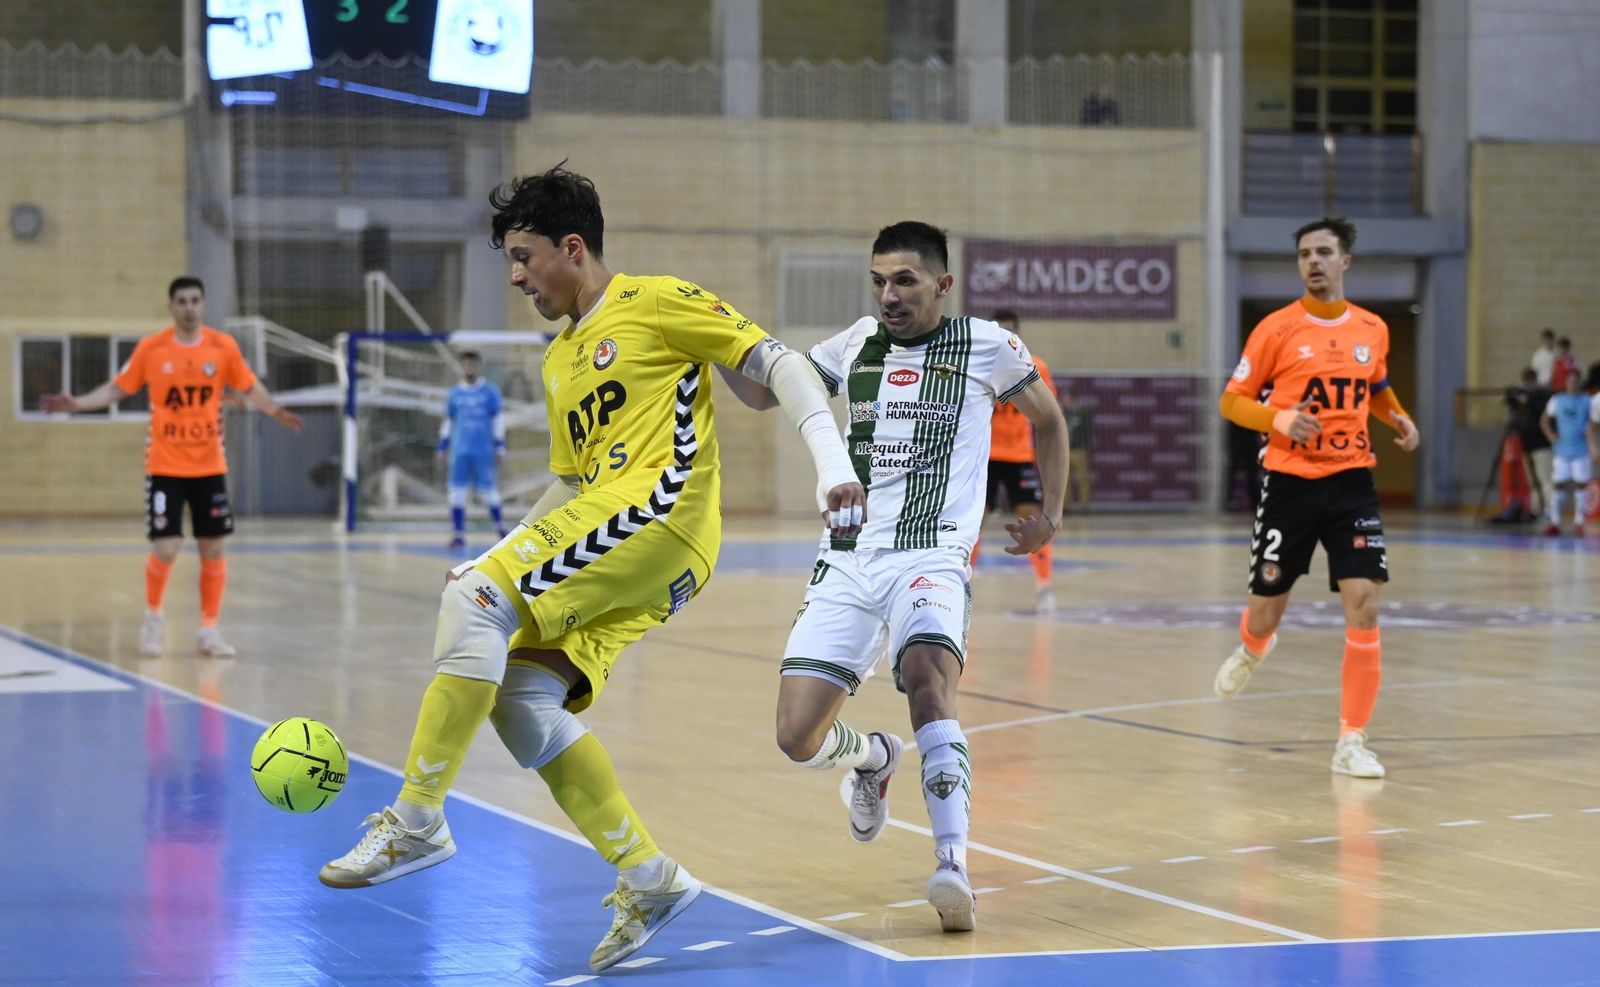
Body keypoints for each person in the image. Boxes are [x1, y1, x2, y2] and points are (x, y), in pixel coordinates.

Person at [317, 164, 865, 973]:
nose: (514, 276)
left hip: (662, 514)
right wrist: (497, 557)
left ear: (573, 247)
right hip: (621, 528)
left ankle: (417, 818)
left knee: (475, 609)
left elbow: (776, 363)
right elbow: (574, 482)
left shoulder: (657, 301)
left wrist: (830, 462)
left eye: (524, 256)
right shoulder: (561, 357)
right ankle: (649, 875)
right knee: (519, 697)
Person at [717, 221, 1069, 934]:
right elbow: (762, 396)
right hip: (847, 556)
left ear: (942, 283)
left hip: (933, 553)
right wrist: (711, 341)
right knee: (795, 736)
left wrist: (1051, 516)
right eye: (879, 280)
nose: (889, 294)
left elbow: (1051, 421)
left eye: (905, 279)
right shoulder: (854, 344)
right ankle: (876, 758)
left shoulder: (987, 345)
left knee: (929, 679)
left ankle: (951, 864)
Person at [1211, 216, 1421, 779]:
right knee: (1265, 610)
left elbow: (1374, 385)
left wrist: (1396, 417)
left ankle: (1351, 740)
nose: (1314, 262)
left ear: (1345, 261)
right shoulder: (1276, 329)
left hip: (1352, 481)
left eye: (1324, 252)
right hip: (1289, 484)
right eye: (1305, 253)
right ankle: (1254, 647)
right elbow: (1233, 402)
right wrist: (1278, 416)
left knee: (1366, 603)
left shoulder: (1373, 328)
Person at [40, 276, 304, 657]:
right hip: (165, 465)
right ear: (171, 307)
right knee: (165, 548)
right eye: (182, 301)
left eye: (195, 300)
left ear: (204, 305)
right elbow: (117, 388)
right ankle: (153, 618)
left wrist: (276, 411)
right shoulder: (153, 348)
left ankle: (209, 631)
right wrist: (78, 404)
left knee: (212, 547)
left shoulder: (222, 347)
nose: (189, 307)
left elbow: (249, 387)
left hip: (209, 464)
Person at [971, 308, 1061, 613]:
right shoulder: (978, 365)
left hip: (1019, 454)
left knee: (1033, 518)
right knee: (972, 522)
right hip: (986, 455)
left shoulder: (1036, 367)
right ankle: (960, 587)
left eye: (1010, 330)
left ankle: (1044, 588)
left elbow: (1048, 415)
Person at [437, 350, 508, 551]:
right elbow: (448, 421)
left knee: (489, 492)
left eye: (472, 364)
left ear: (478, 366)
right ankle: (458, 534)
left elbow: (498, 419)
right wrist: (442, 445)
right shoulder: (454, 394)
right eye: (465, 364)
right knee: (456, 491)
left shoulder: (490, 392)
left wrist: (500, 445)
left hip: (483, 451)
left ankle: (501, 529)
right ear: (461, 366)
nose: (469, 367)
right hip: (459, 451)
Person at [1539, 370, 1592, 536]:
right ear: (1566, 382)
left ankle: (1579, 522)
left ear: (1580, 383)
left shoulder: (1586, 401)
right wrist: (1550, 434)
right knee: (1558, 485)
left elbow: (1592, 424)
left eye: (1576, 381)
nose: (1573, 384)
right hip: (1562, 450)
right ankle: (1554, 522)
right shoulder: (1557, 400)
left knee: (1581, 485)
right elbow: (1544, 419)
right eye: (1571, 381)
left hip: (1580, 450)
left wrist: (1591, 443)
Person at [1506, 368, 1552, 517]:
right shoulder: (1524, 397)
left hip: (1542, 444)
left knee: (1545, 478)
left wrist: (1529, 399)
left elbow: (1544, 412)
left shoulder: (1543, 395)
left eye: (1530, 382)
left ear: (1535, 381)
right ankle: (1535, 510)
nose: (1528, 385)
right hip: (1527, 444)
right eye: (1526, 382)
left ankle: (1551, 511)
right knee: (1532, 481)